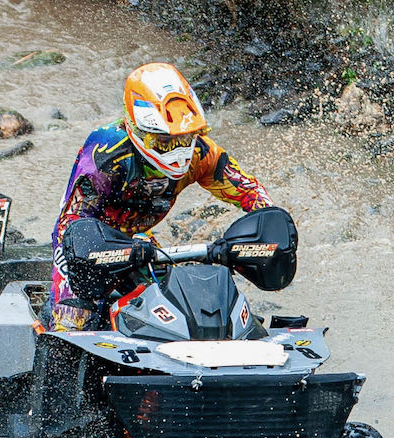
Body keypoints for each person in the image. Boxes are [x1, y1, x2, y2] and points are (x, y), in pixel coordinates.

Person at [44, 62, 275, 332]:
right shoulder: (107, 153)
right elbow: (71, 223)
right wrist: (79, 278)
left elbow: (249, 191)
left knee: (178, 312)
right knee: (73, 322)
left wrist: (269, 228)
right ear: (139, 131)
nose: (177, 152)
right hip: (85, 245)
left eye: (184, 139)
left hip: (139, 242)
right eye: (165, 142)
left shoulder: (201, 154)